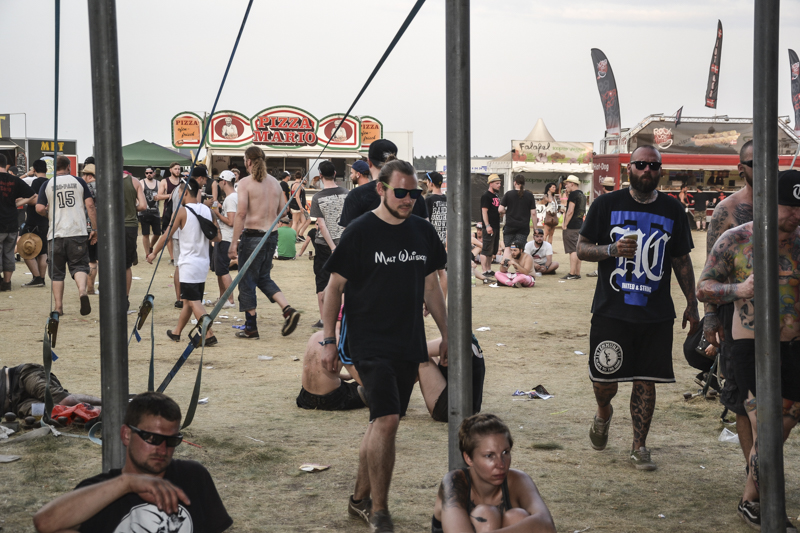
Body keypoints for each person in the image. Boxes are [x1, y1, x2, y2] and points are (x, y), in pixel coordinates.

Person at [320, 157, 447, 532]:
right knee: (388, 419)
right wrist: (328, 340)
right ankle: (380, 511)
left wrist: (448, 333)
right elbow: (333, 288)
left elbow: (431, 287)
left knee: (382, 422)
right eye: (401, 193)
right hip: (368, 342)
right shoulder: (360, 231)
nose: (408, 200)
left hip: (408, 342)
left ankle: (358, 500)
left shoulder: (422, 231)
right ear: (381, 188)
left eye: (414, 194)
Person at [576, 145, 699, 471]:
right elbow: (582, 248)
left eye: (653, 166)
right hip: (611, 311)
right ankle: (603, 413)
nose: (647, 170)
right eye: (641, 164)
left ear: (661, 171)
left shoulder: (673, 210)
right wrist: (611, 250)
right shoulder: (606, 204)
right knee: (604, 383)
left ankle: (639, 446)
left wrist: (692, 303)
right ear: (629, 168)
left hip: (655, 314)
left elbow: (680, 259)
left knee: (646, 380)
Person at [696, 169, 800, 530]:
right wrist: (739, 290)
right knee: (767, 428)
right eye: (790, 207)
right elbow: (704, 287)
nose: (796, 215)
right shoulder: (737, 239)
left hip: (794, 348)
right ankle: (769, 509)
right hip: (751, 346)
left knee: (784, 422)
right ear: (769, 203)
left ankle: (749, 498)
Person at [33, 392, 232, 533]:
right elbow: (44, 523)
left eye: (172, 440)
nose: (162, 449)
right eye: (152, 438)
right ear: (127, 435)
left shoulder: (193, 476)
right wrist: (127, 483)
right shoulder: (102, 492)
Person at [703, 140, 757, 485]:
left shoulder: (788, 206)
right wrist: (710, 316)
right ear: (741, 168)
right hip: (735, 315)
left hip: (783, 316)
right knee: (741, 396)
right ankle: (754, 474)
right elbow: (710, 271)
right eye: (754, 163)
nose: (763, 169)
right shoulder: (727, 210)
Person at [431, 413, 555, 533]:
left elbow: (547, 524)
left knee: (517, 516)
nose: (501, 464)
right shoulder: (454, 483)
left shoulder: (518, 480)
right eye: (489, 455)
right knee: (486, 515)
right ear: (468, 458)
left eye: (505, 452)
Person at [228, 146, 300, 339]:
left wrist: (233, 243)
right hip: (271, 236)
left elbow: (241, 213)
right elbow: (283, 211)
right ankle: (287, 309)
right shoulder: (275, 183)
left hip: (253, 236)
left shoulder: (245, 183)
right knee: (263, 277)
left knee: (246, 281)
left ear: (248, 161)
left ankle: (251, 327)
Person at [147, 179, 219, 346]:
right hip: (203, 262)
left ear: (185, 192)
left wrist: (153, 253)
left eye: (179, 192)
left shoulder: (181, 211)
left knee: (193, 301)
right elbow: (217, 237)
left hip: (188, 264)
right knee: (188, 300)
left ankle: (209, 334)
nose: (178, 195)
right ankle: (177, 332)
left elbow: (167, 235)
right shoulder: (209, 211)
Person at [36, 156, 97, 316]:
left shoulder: (47, 184)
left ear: (54, 168)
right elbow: (90, 205)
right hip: (77, 231)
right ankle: (82, 291)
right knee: (79, 266)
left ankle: (58, 307)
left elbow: (39, 208)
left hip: (56, 233)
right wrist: (95, 228)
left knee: (57, 273)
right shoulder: (79, 181)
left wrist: (49, 214)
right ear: (69, 167)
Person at [338, 139, 428, 228]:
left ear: (369, 162)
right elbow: (426, 230)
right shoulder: (414, 196)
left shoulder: (356, 195)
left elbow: (348, 234)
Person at [309, 161, 348, 328]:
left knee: (322, 281)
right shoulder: (347, 193)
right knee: (343, 282)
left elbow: (321, 225)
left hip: (324, 245)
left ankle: (324, 319)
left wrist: (332, 247)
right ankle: (342, 316)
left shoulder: (317, 197)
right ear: (334, 173)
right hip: (344, 242)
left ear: (320, 175)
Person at [418, 335, 485, 423]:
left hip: (450, 410)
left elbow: (418, 350)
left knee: (420, 356)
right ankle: (401, 394)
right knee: (428, 355)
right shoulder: (468, 338)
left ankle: (401, 398)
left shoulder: (457, 340)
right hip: (469, 408)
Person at [1, 363, 101, 418]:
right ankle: (103, 413)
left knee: (64, 400)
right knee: (53, 411)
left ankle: (106, 403)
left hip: (19, 377)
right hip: (17, 405)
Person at [0, 153, 37, 292]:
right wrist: (17, 204)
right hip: (12, 223)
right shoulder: (15, 180)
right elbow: (33, 195)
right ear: (5, 165)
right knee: (9, 253)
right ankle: (7, 283)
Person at [208, 170, 237, 309]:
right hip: (225, 237)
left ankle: (230, 300)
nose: (218, 183)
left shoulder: (230, 198)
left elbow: (231, 222)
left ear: (224, 181)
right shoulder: (233, 197)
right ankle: (222, 299)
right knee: (220, 270)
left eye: (219, 180)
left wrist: (217, 214)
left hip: (226, 237)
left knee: (223, 270)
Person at [19, 159, 49, 288]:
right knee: (42, 251)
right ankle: (41, 278)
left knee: (24, 248)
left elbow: (35, 200)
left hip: (33, 221)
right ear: (46, 169)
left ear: (34, 170)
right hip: (45, 220)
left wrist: (24, 200)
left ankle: (36, 277)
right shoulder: (49, 182)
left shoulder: (36, 182)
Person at [499, 175, 537, 262]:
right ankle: (520, 267)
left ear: (515, 182)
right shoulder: (529, 195)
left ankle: (504, 266)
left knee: (508, 247)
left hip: (510, 225)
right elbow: (533, 213)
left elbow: (500, 209)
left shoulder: (509, 194)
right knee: (520, 248)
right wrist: (535, 228)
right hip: (523, 226)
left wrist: (507, 211)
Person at [123, 170, 148, 306]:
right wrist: (132, 209)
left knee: (111, 263)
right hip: (129, 225)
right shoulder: (134, 181)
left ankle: (112, 295)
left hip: (111, 226)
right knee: (126, 265)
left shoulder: (105, 180)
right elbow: (143, 206)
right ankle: (125, 298)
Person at [425, 171, 448, 300]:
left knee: (430, 273)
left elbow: (426, 220)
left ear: (431, 183)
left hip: (432, 240)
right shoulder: (447, 199)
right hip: (444, 240)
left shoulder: (429, 200)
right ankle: (443, 300)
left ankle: (431, 301)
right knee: (442, 272)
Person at [156, 162, 183, 264]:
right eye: (175, 169)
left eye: (179, 169)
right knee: (168, 233)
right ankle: (172, 257)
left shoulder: (182, 181)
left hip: (180, 210)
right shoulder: (165, 181)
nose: (177, 171)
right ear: (170, 170)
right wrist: (170, 195)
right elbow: (158, 196)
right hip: (168, 209)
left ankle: (179, 255)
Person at [561, 175, 585, 280]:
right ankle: (577, 273)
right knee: (578, 249)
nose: (565, 186)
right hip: (580, 225)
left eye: (567, 184)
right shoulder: (582, 194)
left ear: (572, 184)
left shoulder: (573, 195)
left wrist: (565, 224)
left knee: (572, 250)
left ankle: (572, 273)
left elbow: (570, 211)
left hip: (572, 226)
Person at [480, 174, 503, 278]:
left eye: (500, 183)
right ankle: (484, 271)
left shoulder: (496, 196)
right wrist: (487, 225)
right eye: (497, 183)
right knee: (486, 250)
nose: (499, 185)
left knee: (491, 251)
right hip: (489, 227)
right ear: (491, 184)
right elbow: (484, 211)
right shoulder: (486, 196)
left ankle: (489, 269)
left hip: (496, 226)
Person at [139, 166, 162, 257]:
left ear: (154, 173)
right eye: (147, 173)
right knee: (145, 234)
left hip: (155, 212)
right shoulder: (141, 182)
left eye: (150, 172)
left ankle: (151, 246)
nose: (149, 174)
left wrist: (159, 197)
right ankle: (147, 254)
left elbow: (162, 195)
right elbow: (137, 195)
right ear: (145, 174)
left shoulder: (159, 183)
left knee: (157, 233)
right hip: (144, 212)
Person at [289, 171, 310, 240]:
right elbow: (297, 196)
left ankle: (296, 235)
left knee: (302, 221)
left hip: (293, 204)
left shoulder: (293, 184)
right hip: (296, 205)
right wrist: (301, 207)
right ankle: (292, 237)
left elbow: (291, 196)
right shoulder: (298, 185)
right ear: (301, 177)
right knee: (295, 223)